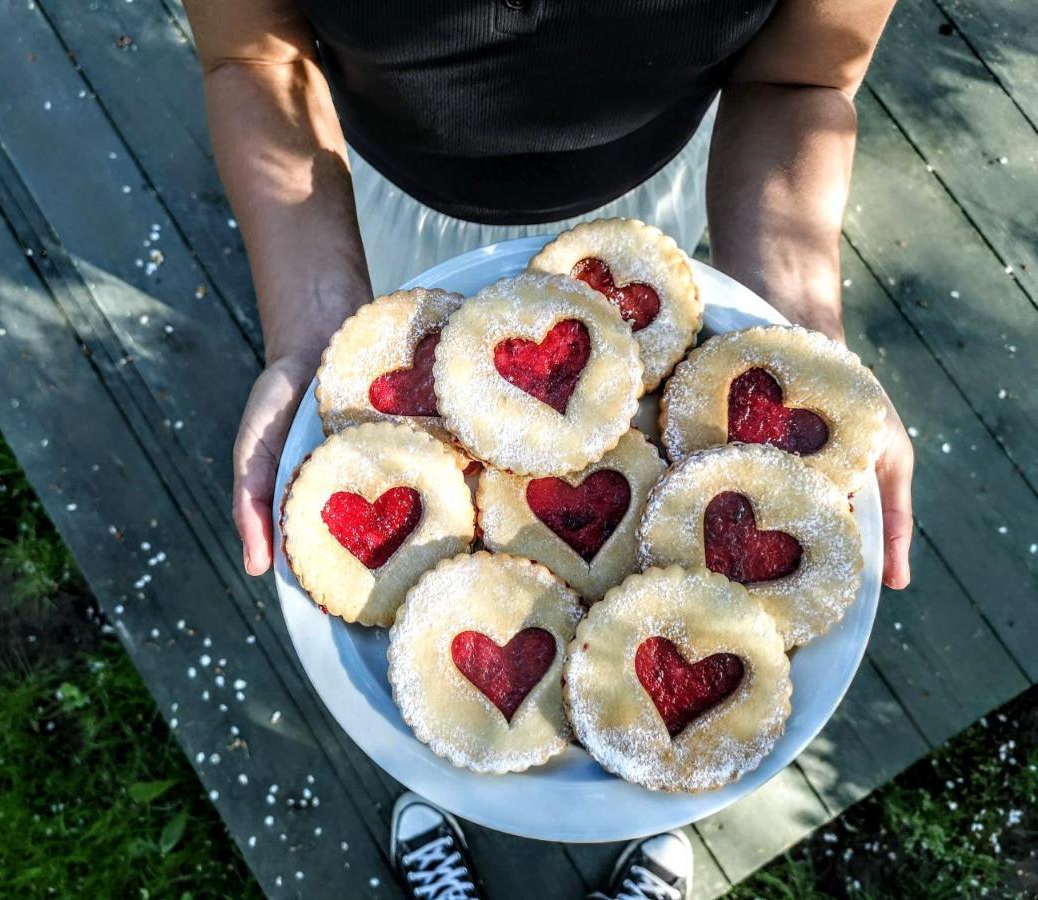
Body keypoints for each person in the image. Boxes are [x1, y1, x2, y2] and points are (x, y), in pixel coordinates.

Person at [184, 2, 912, 896]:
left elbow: (803, 77)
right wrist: (308, 331)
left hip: (654, 211)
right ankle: (443, 786)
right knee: (434, 675)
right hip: (356, 206)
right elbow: (251, 61)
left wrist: (800, 340)